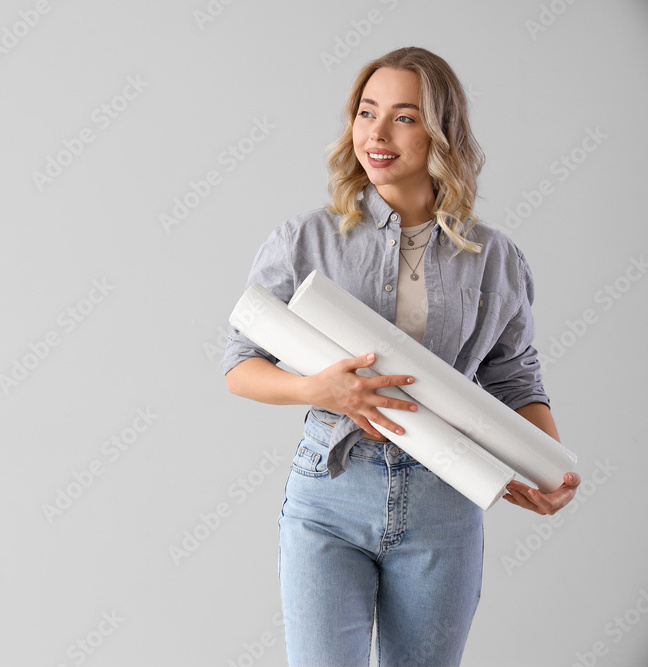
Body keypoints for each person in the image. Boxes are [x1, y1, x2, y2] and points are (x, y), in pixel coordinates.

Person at [220, 46, 581, 666]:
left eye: (405, 117)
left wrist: (551, 470)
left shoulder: (493, 257)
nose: (377, 134)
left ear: (442, 132)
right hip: (329, 491)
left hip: (445, 498)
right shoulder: (304, 240)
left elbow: (514, 375)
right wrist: (318, 391)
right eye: (366, 112)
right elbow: (239, 365)